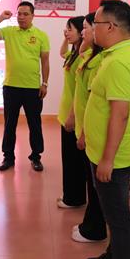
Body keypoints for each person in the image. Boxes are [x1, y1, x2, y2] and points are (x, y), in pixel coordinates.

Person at [83, 0, 130, 259]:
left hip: (114, 158)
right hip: (103, 151)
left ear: (110, 27)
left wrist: (107, 159)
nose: (92, 28)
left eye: (95, 23)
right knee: (111, 213)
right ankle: (112, 256)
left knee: (118, 219)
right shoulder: (117, 53)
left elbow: (120, 114)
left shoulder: (119, 61)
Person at [0, 1, 50, 172]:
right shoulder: (10, 32)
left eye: (25, 14)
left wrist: (45, 83)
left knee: (35, 124)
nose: (21, 17)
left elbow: (45, 61)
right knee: (9, 124)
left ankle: (36, 157)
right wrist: (1, 18)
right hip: (11, 87)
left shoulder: (41, 35)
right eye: (19, 13)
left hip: (32, 88)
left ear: (33, 16)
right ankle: (8, 157)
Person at [72, 13, 108, 243]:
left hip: (92, 132)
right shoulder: (89, 57)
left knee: (96, 187)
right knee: (91, 183)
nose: (82, 32)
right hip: (86, 128)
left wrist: (84, 133)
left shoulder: (100, 62)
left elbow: (93, 103)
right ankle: (90, 223)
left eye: (86, 28)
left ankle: (94, 228)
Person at [57, 16, 86, 208]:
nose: (66, 32)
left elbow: (79, 92)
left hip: (72, 115)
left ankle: (74, 198)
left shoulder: (82, 57)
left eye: (70, 29)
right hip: (66, 112)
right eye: (66, 29)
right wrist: (65, 38)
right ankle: (71, 195)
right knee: (69, 159)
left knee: (73, 161)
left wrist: (72, 117)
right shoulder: (73, 54)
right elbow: (62, 53)